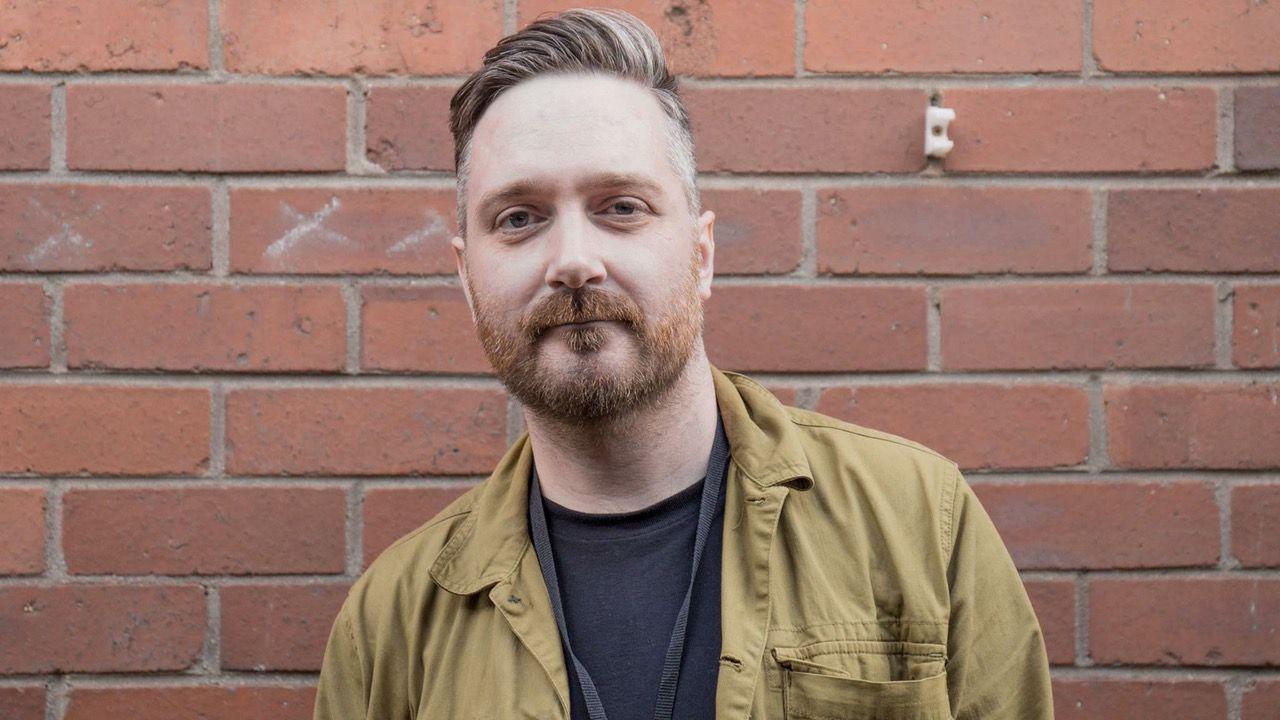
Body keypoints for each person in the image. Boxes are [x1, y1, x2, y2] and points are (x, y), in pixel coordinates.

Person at [314, 8, 1053, 719]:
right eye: (518, 219)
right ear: (467, 277)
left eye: (622, 207)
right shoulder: (393, 627)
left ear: (701, 255)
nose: (574, 260)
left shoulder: (920, 522)